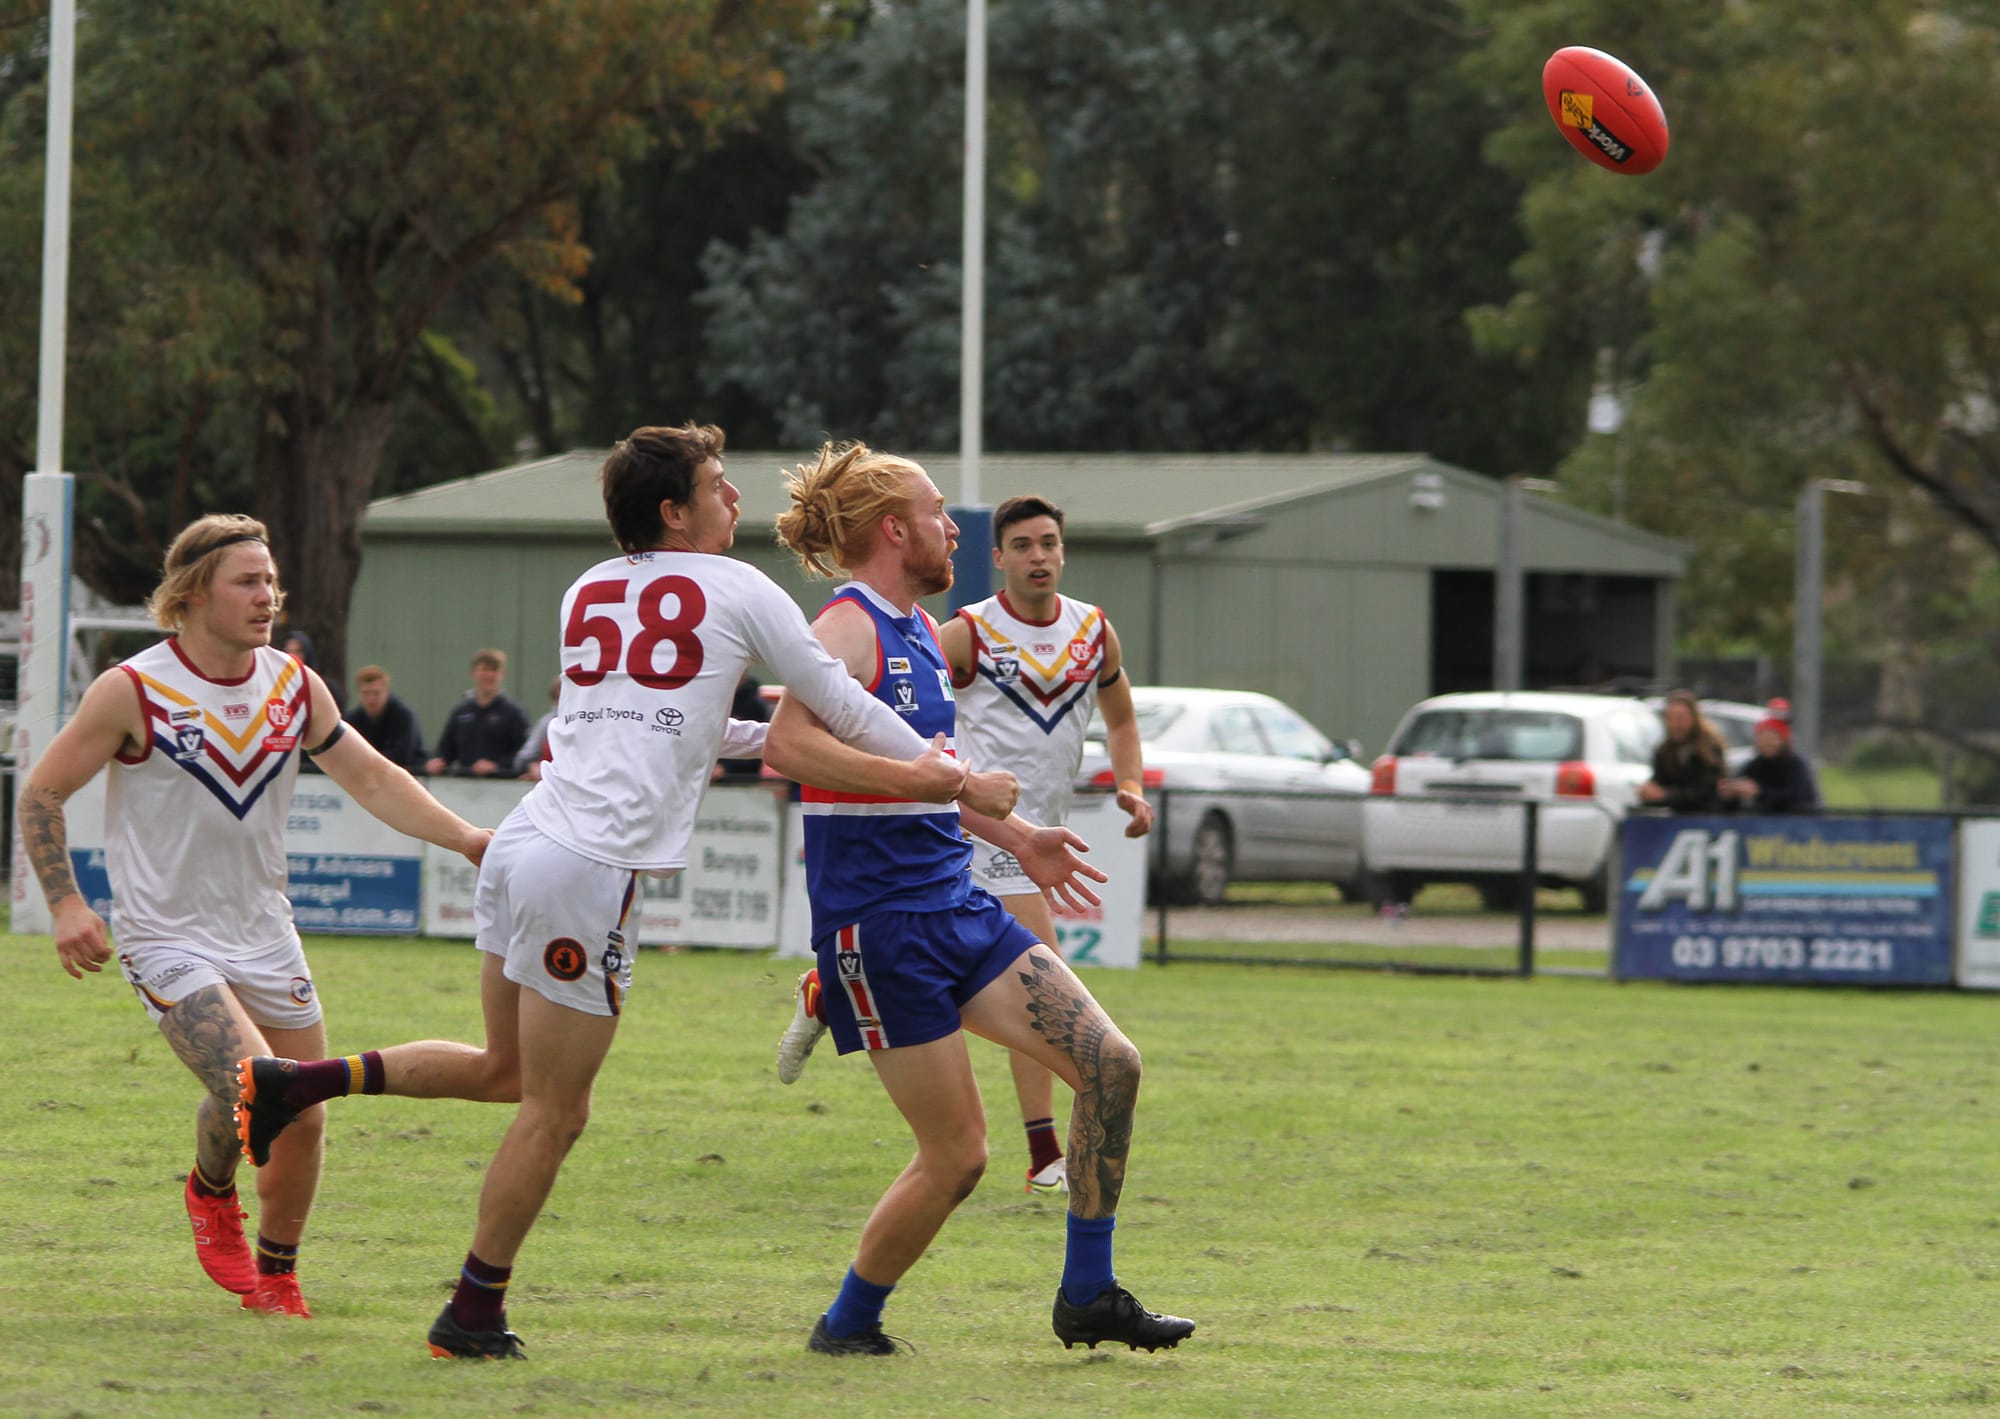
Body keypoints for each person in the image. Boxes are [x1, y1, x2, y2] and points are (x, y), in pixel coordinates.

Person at [232, 423, 1017, 1360]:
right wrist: (956, 778)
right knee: (557, 1110)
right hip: (589, 865)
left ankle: (297, 1080)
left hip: (527, 839)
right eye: (718, 486)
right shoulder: (739, 588)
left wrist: (795, 747)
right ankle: (469, 1312)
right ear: (674, 511)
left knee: (505, 1071)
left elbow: (664, 722)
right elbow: (842, 705)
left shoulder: (587, 587)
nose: (736, 500)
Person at [768, 440, 1194, 1357]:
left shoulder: (923, 630)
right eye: (936, 515)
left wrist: (1018, 838)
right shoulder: (848, 627)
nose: (952, 530)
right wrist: (931, 782)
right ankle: (848, 1324)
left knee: (1111, 1065)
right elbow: (787, 747)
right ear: (894, 529)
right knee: (959, 1157)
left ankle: (1088, 1293)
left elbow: (943, 782)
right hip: (879, 928)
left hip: (957, 904)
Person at [16, 514, 491, 1320]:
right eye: (248, 580)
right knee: (257, 1085)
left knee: (303, 1110)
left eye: (271, 580)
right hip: (166, 936)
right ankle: (211, 1190)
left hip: (266, 932)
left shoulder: (295, 684)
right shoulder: (132, 688)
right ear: (193, 592)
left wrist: (470, 839)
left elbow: (372, 777)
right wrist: (65, 902)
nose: (267, 595)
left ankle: (277, 1278)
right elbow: (42, 791)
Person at [776, 493, 1154, 1200]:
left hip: (1008, 824)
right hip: (954, 840)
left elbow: (1122, 716)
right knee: (1043, 997)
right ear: (1001, 556)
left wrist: (1126, 783)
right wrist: (950, 786)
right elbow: (821, 728)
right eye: (1023, 544)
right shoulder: (958, 631)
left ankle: (835, 987)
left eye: (1050, 542)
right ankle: (1045, 1150)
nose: (1038, 555)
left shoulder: (1091, 631)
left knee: (1073, 1044)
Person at [425, 649, 530, 777]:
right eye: (484, 670)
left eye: (494, 670)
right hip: (463, 786)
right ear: (473, 673)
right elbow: (446, 749)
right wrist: (438, 762)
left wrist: (497, 766)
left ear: (503, 674)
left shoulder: (514, 713)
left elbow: (524, 754)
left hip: (503, 787)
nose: (489, 675)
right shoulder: (460, 712)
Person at [1719, 703, 1819, 814]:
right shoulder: (1754, 766)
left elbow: (1799, 797)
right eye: (1762, 738)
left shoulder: (1796, 765)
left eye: (1771, 738)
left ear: (1783, 741)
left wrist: (1760, 793)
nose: (1766, 743)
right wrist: (1732, 793)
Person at [1639, 690, 1727, 813]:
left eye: (1680, 718)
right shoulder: (1664, 751)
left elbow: (1708, 791)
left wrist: (1667, 795)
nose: (1675, 725)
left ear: (1694, 718)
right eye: (1671, 718)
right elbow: (1660, 780)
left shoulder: (1709, 750)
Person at [345, 665, 427, 773]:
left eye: (376, 693)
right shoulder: (353, 719)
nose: (371, 700)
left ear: (386, 693)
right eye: (365, 693)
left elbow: (401, 757)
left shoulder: (403, 716)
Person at [511, 676, 562, 780]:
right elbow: (523, 757)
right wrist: (532, 766)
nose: (561, 703)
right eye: (557, 698)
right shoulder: (547, 723)